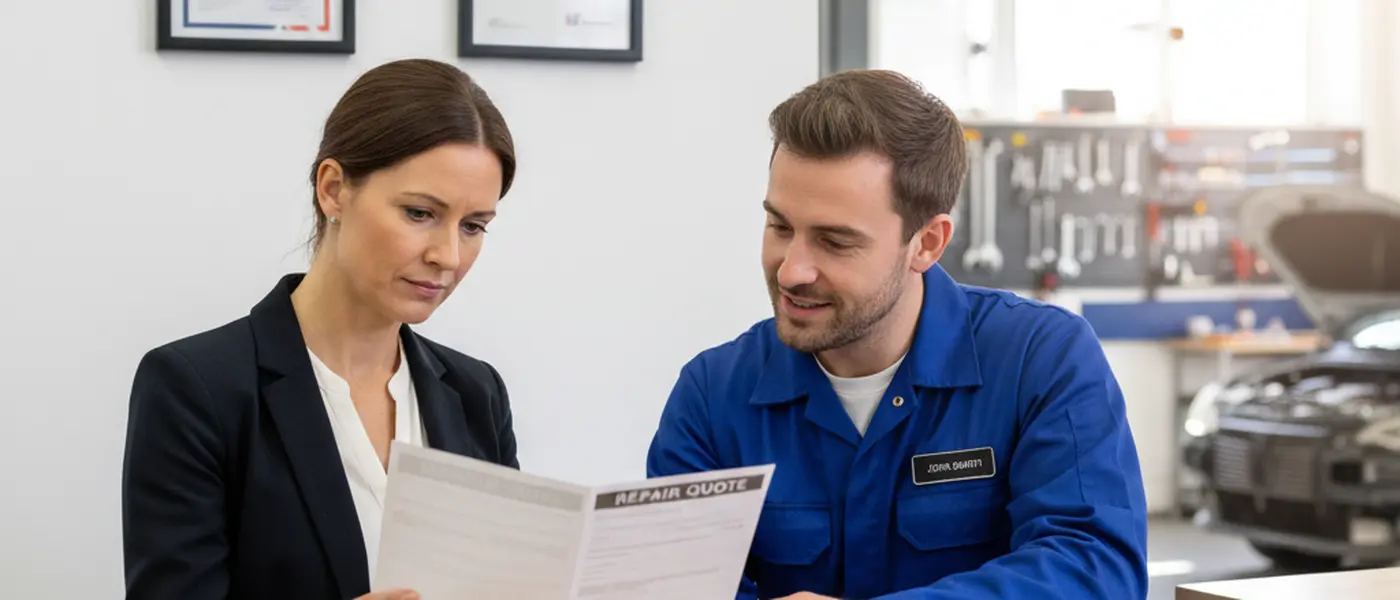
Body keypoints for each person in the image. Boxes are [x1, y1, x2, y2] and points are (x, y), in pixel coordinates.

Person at [646, 69, 1149, 600]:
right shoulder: (712, 394)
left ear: (927, 243)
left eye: (835, 241)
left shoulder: (1039, 360)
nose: (792, 270)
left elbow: (1096, 569)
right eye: (780, 227)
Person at [121, 58, 519, 600]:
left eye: (473, 226)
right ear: (333, 189)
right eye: (420, 213)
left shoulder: (477, 392)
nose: (448, 255)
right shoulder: (198, 388)